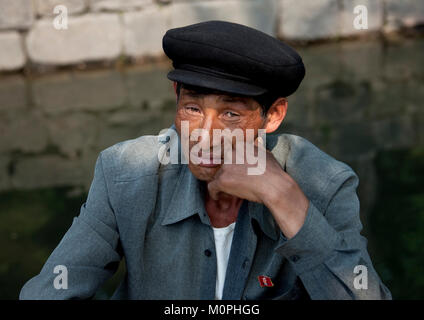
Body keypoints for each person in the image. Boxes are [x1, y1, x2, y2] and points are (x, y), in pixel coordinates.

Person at [20, 20, 391, 300]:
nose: (204, 134)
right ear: (175, 97)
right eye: (193, 108)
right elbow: (56, 285)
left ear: (273, 116)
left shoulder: (324, 184)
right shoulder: (124, 174)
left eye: (231, 114)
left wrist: (286, 200)